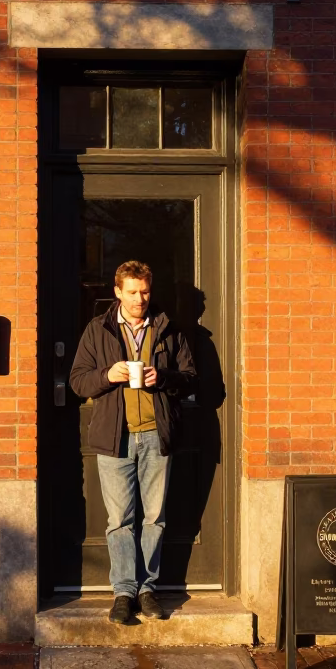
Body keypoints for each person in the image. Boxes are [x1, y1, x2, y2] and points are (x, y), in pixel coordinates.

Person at [69, 261, 197, 624]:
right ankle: (124, 592)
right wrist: (107, 375)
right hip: (115, 438)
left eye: (144, 292)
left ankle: (148, 589)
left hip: (157, 435)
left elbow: (190, 378)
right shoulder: (98, 330)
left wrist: (165, 377)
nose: (139, 299)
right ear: (117, 292)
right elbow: (78, 381)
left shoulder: (168, 330)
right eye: (132, 292)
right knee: (120, 520)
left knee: (155, 517)